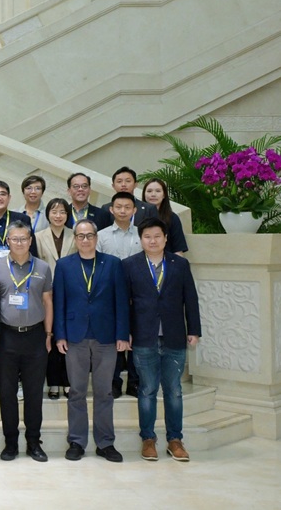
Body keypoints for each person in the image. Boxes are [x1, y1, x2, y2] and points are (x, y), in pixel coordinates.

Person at [123, 218, 201, 462]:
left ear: (166, 239)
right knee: (147, 389)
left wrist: (194, 330)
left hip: (174, 335)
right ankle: (148, 438)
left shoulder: (180, 264)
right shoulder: (130, 265)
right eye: (147, 236)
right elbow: (124, 303)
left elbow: (191, 298)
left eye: (157, 236)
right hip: (143, 336)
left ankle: (175, 440)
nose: (153, 241)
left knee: (174, 390)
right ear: (141, 239)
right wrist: (124, 332)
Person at [53, 219, 129, 463]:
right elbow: (58, 302)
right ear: (75, 239)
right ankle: (77, 441)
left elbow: (121, 301)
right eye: (81, 236)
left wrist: (122, 334)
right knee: (76, 391)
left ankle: (105, 443)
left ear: (96, 238)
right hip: (74, 336)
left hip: (106, 336)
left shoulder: (113, 264)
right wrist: (59, 335)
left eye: (89, 235)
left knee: (104, 391)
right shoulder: (64, 265)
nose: (85, 240)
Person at [0, 221, 52, 462]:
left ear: (30, 241)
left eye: (24, 239)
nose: (19, 243)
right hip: (6, 337)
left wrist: (48, 335)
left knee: (34, 393)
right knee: (7, 393)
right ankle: (10, 443)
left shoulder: (43, 267)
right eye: (15, 239)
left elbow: (48, 302)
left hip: (35, 337)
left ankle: (33, 442)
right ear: (8, 241)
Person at [97, 191, 143, 398]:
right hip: (110, 296)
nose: (123, 211)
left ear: (134, 210)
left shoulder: (142, 234)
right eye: (118, 207)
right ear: (111, 209)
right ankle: (114, 382)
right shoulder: (101, 235)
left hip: (139, 294)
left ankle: (134, 382)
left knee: (137, 338)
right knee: (113, 339)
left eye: (127, 207)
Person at [34, 198, 76, 400]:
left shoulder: (75, 235)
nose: (58, 215)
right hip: (46, 292)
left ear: (68, 215)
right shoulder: (38, 236)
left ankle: (67, 381)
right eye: (54, 211)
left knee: (68, 337)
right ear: (48, 214)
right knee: (49, 336)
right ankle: (53, 383)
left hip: (71, 292)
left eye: (62, 212)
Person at [142, 179, 188, 255]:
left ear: (164, 195)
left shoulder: (172, 218)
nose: (153, 194)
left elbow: (178, 249)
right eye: (149, 191)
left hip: (166, 261)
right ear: (144, 194)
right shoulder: (136, 216)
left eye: (158, 191)